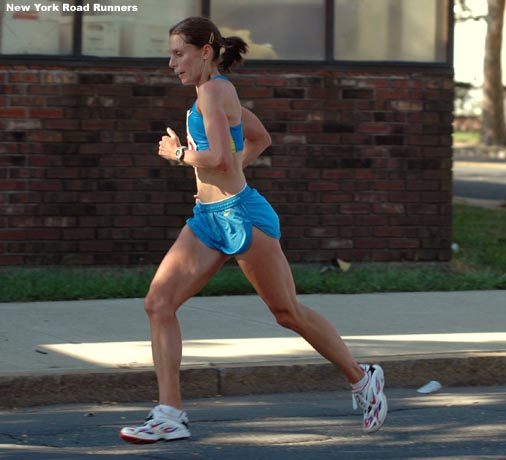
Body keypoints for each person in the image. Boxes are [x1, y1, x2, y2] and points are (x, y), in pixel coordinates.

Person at [119, 16, 387, 444]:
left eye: (178, 53)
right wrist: (221, 181)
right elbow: (258, 138)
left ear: (204, 51)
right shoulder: (218, 92)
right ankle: (170, 414)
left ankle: (362, 377)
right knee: (159, 303)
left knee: (287, 313)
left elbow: (221, 158)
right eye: (170, 54)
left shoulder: (211, 92)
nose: (172, 63)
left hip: (241, 217)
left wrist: (178, 154)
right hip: (209, 219)